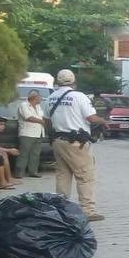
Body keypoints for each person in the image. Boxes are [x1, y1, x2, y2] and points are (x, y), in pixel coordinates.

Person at [47, 69, 107, 221]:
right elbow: (91, 118)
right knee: (85, 176)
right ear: (74, 82)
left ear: (57, 81)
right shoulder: (79, 96)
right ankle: (87, 211)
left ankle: (61, 210)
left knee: (63, 175)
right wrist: (103, 121)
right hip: (76, 143)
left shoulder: (51, 97)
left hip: (57, 141)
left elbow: (46, 120)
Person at [16, 90, 45, 178]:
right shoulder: (24, 105)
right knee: (24, 153)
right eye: (40, 97)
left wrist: (42, 121)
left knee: (35, 154)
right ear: (34, 97)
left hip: (38, 132)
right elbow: (28, 117)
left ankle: (33, 172)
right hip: (27, 133)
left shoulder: (38, 106)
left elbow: (41, 116)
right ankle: (19, 173)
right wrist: (42, 121)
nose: (41, 98)